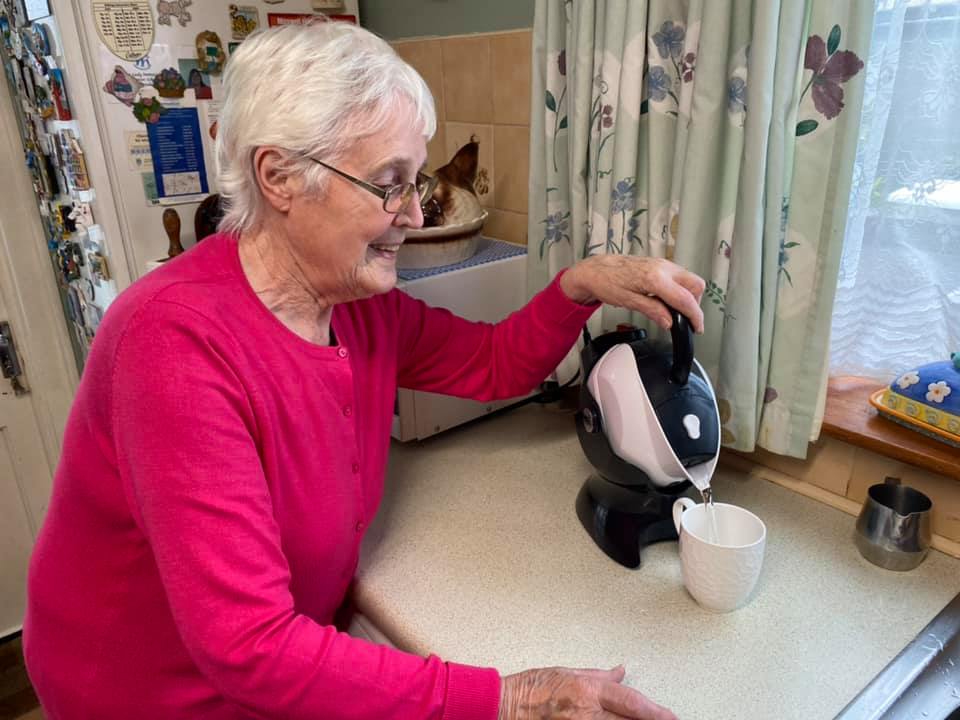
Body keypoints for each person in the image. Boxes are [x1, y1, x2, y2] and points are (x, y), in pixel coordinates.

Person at [24, 21, 704, 720]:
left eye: (414, 182)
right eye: (390, 183)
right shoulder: (172, 344)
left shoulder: (357, 306)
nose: (412, 213)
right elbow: (248, 646)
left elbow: (496, 363)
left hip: (279, 658)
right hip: (143, 693)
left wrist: (579, 284)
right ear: (280, 177)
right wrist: (509, 696)